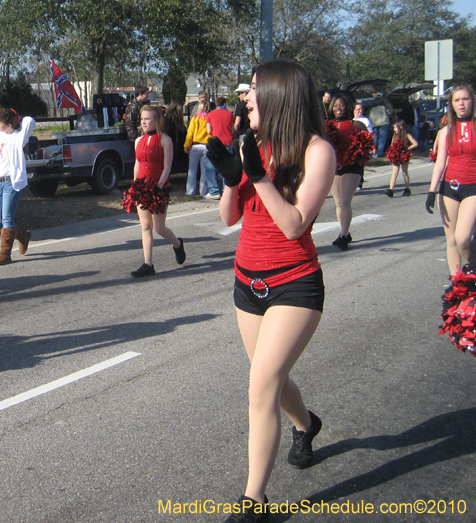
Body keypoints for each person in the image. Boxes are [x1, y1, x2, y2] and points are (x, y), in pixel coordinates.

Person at [207, 59, 335, 523]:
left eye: (254, 88)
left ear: (280, 94)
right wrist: (231, 180)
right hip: (248, 281)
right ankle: (307, 423)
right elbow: (230, 219)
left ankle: (254, 502)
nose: (245, 96)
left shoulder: (317, 151)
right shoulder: (253, 143)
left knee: (261, 386)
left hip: (294, 284)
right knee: (270, 380)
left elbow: (294, 224)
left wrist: (259, 177)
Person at [425, 84, 476, 275]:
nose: (461, 104)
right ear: (451, 104)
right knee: (452, 240)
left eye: (465, 99)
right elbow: (440, 163)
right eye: (457, 100)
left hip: (473, 188)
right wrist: (432, 191)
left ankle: (472, 270)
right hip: (449, 188)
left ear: (472, 101)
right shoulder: (445, 131)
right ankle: (457, 283)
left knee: (463, 238)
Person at [129, 105, 185, 278]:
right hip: (142, 188)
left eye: (147, 119)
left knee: (159, 228)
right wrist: (134, 186)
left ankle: (177, 244)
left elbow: (167, 166)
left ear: (157, 120)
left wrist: (159, 186)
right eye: (142, 119)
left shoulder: (165, 140)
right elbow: (137, 165)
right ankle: (148, 264)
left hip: (158, 189)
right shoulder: (138, 141)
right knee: (146, 226)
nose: (143, 122)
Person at [0, 108, 35, 265]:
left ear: (9, 124)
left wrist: (16, 120)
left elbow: (30, 121)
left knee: (7, 219)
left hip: (11, 183)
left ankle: (5, 254)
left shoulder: (18, 137)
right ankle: (22, 235)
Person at [328, 94, 369, 250]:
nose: (338, 108)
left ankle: (344, 235)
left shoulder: (356, 125)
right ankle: (344, 232)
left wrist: (358, 155)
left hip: (352, 166)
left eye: (342, 105)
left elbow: (368, 144)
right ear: (331, 108)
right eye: (335, 105)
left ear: (348, 107)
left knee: (345, 201)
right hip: (335, 166)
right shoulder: (326, 125)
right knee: (338, 202)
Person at [184, 101, 220, 198]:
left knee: (192, 170)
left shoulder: (195, 118)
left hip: (196, 146)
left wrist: (186, 146)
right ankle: (203, 191)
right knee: (204, 170)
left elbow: (190, 133)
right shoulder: (211, 118)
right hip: (207, 145)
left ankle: (190, 191)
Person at [207, 96, 235, 192]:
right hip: (228, 141)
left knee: (211, 167)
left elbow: (208, 131)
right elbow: (233, 129)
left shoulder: (210, 114)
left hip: (216, 142)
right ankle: (226, 189)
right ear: (224, 104)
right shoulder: (230, 114)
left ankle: (214, 190)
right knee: (226, 166)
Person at [384, 120, 418, 197]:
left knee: (404, 172)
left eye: (395, 128)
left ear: (401, 127)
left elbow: (415, 143)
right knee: (394, 173)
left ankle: (407, 189)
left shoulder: (406, 134)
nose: (394, 129)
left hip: (404, 155)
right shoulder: (394, 135)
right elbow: (392, 144)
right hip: (396, 155)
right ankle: (391, 189)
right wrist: (391, 152)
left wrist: (407, 149)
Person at [368, 92, 395, 157]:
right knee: (382, 139)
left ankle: (373, 152)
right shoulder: (385, 102)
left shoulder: (372, 103)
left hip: (374, 123)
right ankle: (380, 152)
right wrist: (393, 117)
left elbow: (368, 113)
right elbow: (390, 111)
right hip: (383, 122)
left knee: (375, 138)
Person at [164, 100, 187, 172]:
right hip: (173, 138)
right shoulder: (171, 116)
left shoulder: (169, 114)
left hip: (174, 138)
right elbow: (170, 129)